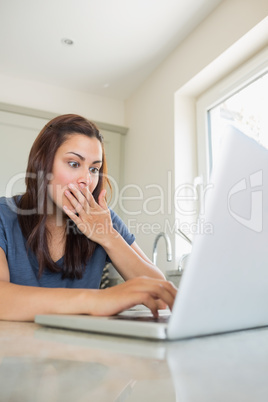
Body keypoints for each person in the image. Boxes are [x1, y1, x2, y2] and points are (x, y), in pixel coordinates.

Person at [0, 114, 176, 321]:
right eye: (74, 164)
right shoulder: (5, 215)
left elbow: (159, 291)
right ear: (43, 164)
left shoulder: (102, 219)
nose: (86, 180)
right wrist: (96, 300)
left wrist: (108, 237)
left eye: (94, 169)